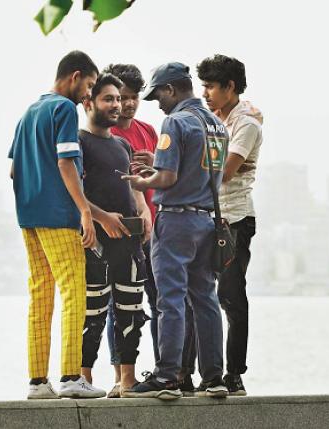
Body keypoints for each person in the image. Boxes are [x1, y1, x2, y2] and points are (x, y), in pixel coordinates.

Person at [121, 62, 229, 399]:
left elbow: (166, 179)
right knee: (206, 300)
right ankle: (214, 378)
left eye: (158, 96)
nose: (158, 104)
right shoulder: (216, 125)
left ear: (171, 89)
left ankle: (167, 376)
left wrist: (141, 180)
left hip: (176, 222)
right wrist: (160, 164)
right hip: (207, 221)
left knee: (170, 300)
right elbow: (198, 171)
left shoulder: (176, 121)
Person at [8, 50, 105, 399]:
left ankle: (37, 382)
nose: (88, 96)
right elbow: (67, 163)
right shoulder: (63, 109)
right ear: (75, 75)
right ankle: (70, 377)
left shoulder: (28, 113)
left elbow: (13, 170)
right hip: (58, 217)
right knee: (74, 291)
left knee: (41, 297)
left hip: (29, 219)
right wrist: (84, 210)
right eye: (89, 86)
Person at [189, 54, 263, 396]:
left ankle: (234, 374)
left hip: (233, 219)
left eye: (211, 86)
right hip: (206, 215)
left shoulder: (246, 122)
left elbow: (225, 172)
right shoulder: (212, 117)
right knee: (198, 296)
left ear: (230, 87)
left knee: (231, 297)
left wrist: (182, 175)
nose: (205, 92)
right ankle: (193, 373)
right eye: (203, 85)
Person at [78, 73, 152, 397]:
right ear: (88, 102)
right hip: (95, 241)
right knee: (92, 314)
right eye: (109, 99)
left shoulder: (123, 143)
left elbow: (131, 184)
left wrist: (144, 210)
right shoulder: (79, 141)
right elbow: (73, 191)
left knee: (131, 312)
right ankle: (84, 379)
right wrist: (101, 218)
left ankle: (127, 380)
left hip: (129, 241)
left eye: (118, 99)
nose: (116, 105)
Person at [104, 63, 162, 397]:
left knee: (159, 303)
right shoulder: (105, 135)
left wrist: (155, 161)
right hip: (121, 231)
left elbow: (162, 175)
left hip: (154, 230)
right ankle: (119, 375)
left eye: (133, 97)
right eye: (122, 97)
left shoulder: (148, 131)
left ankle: (158, 373)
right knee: (121, 307)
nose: (128, 104)